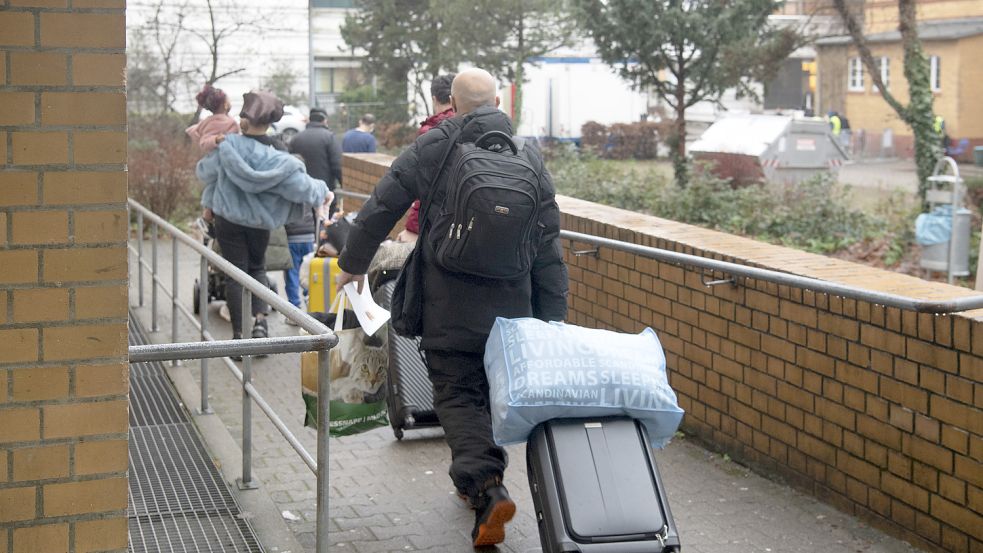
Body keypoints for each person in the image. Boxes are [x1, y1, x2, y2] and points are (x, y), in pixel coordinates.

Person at [335, 68, 568, 547]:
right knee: (483, 392)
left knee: (457, 394)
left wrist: (353, 264)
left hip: (449, 299)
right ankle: (475, 481)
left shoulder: (436, 143)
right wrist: (552, 316)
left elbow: (383, 203)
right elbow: (548, 242)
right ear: (498, 100)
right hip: (513, 301)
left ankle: (485, 486)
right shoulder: (528, 154)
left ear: (453, 103)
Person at [197, 90, 330, 344]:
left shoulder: (228, 144)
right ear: (270, 122)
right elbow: (301, 186)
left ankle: (239, 335)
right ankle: (260, 324)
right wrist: (324, 193)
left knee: (235, 275)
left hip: (228, 220)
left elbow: (205, 173)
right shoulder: (279, 151)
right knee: (257, 268)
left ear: (245, 119)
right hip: (260, 223)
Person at [282, 108, 344, 316]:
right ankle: (312, 294)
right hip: (323, 197)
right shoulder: (328, 137)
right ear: (325, 120)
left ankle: (293, 304)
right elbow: (337, 164)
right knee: (319, 244)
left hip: (295, 203)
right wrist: (340, 186)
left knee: (292, 264)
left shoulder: (296, 139)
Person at [399, 73, 457, 243]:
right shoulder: (473, 126)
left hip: (435, 223)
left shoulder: (431, 133)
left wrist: (413, 228)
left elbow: (424, 184)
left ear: (434, 99)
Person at [186, 84, 240, 154]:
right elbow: (204, 142)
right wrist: (216, 139)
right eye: (229, 100)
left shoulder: (218, 120)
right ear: (225, 104)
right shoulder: (218, 122)